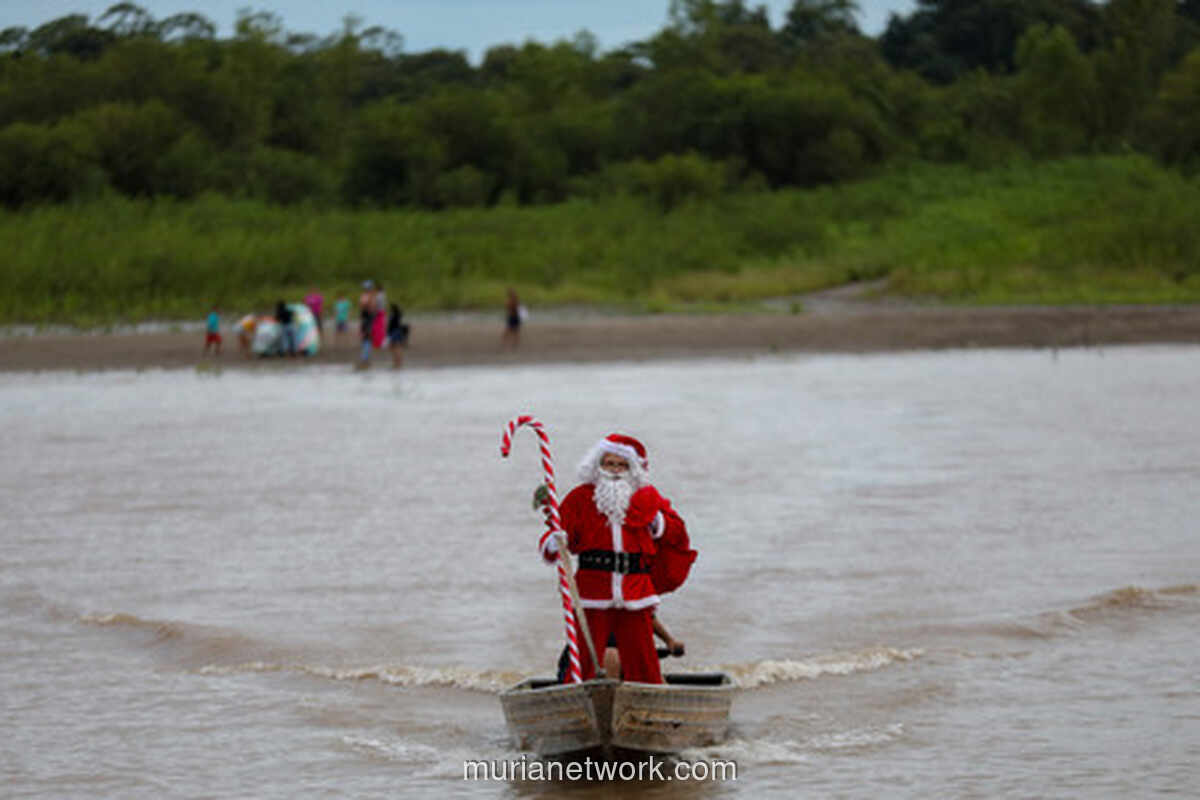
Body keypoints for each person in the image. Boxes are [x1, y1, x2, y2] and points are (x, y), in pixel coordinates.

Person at [541, 433, 691, 684]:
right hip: (593, 588)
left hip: (635, 590)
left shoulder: (647, 498)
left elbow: (677, 533)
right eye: (609, 463)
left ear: (632, 469)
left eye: (622, 465)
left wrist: (656, 522)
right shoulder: (580, 498)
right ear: (598, 465)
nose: (615, 470)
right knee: (585, 656)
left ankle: (649, 695)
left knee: (644, 660)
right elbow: (555, 538)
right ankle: (575, 695)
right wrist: (555, 541)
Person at [357, 281, 377, 368]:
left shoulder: (367, 296)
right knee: (367, 338)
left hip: (367, 319)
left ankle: (365, 359)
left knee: (367, 338)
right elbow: (370, 308)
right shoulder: (370, 296)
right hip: (367, 319)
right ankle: (365, 358)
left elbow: (365, 307)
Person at [387, 303, 410, 369]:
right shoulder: (398, 314)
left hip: (394, 332)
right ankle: (398, 362)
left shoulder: (393, 315)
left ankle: (397, 362)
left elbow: (390, 325)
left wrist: (388, 333)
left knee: (395, 347)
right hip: (397, 332)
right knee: (397, 347)